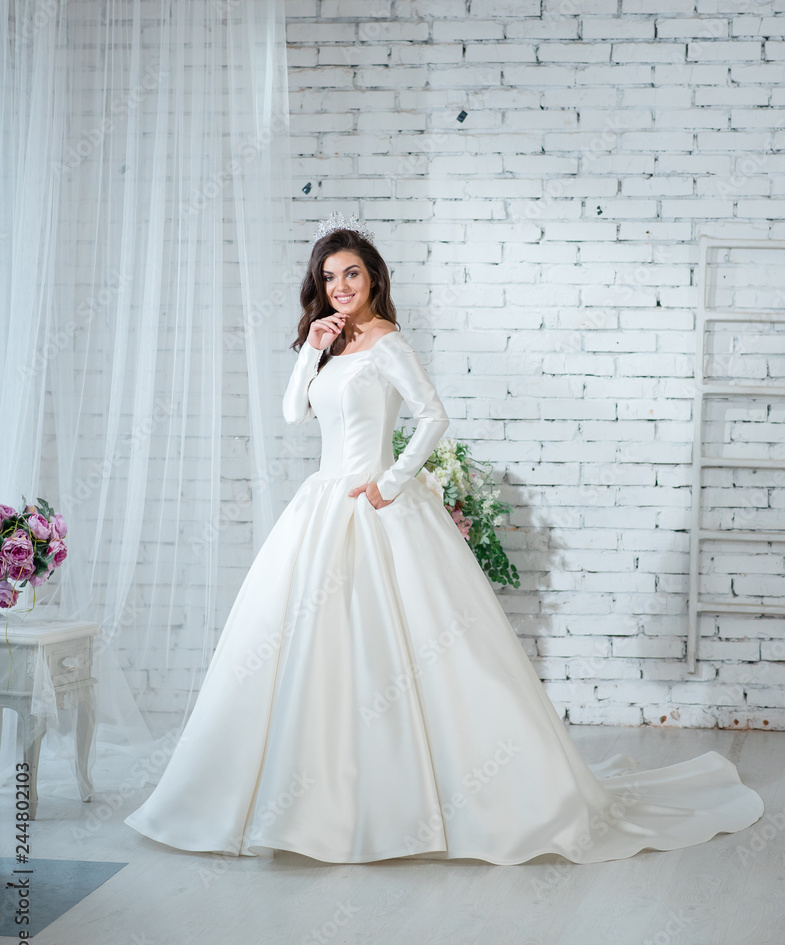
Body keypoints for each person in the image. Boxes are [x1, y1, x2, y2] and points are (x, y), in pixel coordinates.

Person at [125, 213, 765, 864]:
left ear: (373, 277)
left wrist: (393, 482)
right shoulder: (329, 340)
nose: (341, 285)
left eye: (351, 273)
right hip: (319, 507)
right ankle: (305, 806)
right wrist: (312, 347)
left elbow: (433, 416)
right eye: (329, 277)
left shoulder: (387, 342)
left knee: (412, 653)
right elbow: (295, 413)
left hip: (374, 506)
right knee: (302, 651)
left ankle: (413, 804)